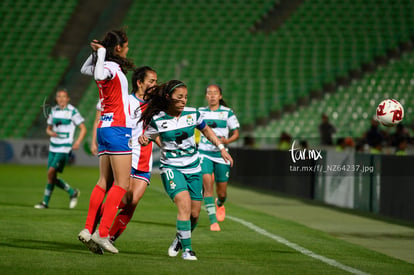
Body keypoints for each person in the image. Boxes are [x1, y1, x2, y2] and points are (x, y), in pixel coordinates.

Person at [138, 80, 233, 260]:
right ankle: (188, 250)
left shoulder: (193, 113)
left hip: (193, 168)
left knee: (195, 215)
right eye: (179, 97)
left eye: (186, 97)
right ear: (168, 97)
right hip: (171, 168)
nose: (183, 101)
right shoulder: (158, 119)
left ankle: (180, 239)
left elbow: (207, 131)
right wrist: (144, 140)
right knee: (184, 205)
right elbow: (147, 137)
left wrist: (221, 148)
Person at [78, 29, 135, 254]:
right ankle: (102, 233)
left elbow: (85, 69)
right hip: (117, 129)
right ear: (118, 48)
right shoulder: (110, 67)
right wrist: (101, 53)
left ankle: (87, 229)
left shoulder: (109, 66)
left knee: (103, 181)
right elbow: (99, 75)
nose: (128, 49)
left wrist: (95, 54)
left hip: (104, 128)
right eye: (126, 45)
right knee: (122, 184)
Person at [34, 89, 86, 209]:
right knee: (51, 176)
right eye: (59, 97)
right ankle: (49, 201)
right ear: (56, 99)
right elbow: (48, 128)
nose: (61, 99)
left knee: (51, 172)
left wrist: (77, 142)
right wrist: (50, 133)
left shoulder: (72, 111)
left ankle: (69, 193)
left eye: (64, 97)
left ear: (68, 99)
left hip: (64, 147)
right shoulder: (54, 111)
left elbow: (83, 128)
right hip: (53, 146)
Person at [198, 84, 240, 231]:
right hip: (204, 153)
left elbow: (236, 133)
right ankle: (213, 221)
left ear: (220, 96)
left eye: (215, 93)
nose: (212, 95)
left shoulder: (227, 113)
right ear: (206, 96)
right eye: (209, 93)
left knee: (222, 192)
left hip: (222, 155)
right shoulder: (200, 112)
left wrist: (226, 141)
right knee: (207, 184)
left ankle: (220, 203)